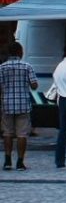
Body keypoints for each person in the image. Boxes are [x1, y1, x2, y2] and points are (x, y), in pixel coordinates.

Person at [1, 42, 38, 171]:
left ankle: (7, 161)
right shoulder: (27, 66)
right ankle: (20, 162)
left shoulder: (2, 67)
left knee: (7, 133)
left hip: (7, 104)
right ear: (20, 52)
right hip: (23, 104)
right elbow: (34, 85)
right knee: (22, 134)